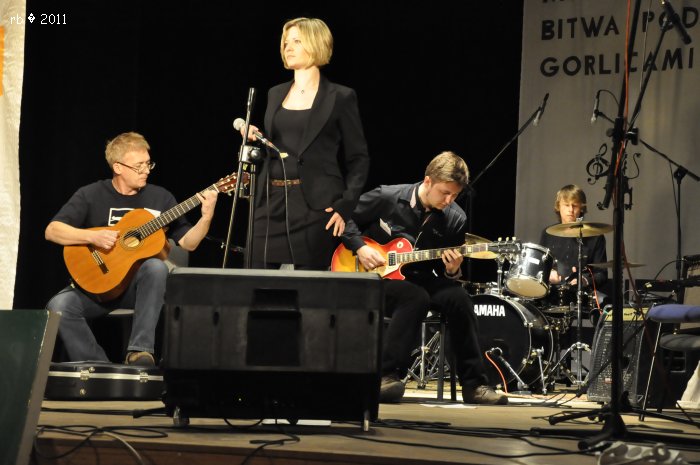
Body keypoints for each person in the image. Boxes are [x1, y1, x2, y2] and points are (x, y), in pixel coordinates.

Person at [341, 151, 508, 405]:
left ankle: (474, 385)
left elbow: (442, 269)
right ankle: (384, 376)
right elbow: (344, 216)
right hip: (373, 276)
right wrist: (360, 247)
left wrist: (452, 270)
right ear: (428, 181)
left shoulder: (456, 218)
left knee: (460, 298)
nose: (449, 200)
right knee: (414, 297)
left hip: (417, 276)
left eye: (455, 195)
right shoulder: (388, 196)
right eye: (445, 192)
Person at [45, 132, 219, 367]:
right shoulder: (91, 194)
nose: (146, 170)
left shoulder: (160, 198)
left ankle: (139, 352)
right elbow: (52, 231)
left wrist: (206, 217)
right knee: (59, 306)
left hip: (138, 292)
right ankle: (98, 368)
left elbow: (189, 243)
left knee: (156, 267)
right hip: (98, 288)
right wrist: (92, 236)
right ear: (118, 167)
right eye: (139, 166)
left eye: (148, 164)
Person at [242, 17, 369, 270]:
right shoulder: (275, 93)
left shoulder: (341, 96)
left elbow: (358, 158)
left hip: (315, 204)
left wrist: (346, 205)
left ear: (316, 43)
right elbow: (277, 147)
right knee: (255, 277)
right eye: (286, 42)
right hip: (270, 200)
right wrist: (258, 138)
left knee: (309, 285)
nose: (288, 47)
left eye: (297, 41)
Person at [539, 184, 608, 304]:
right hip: (550, 295)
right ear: (558, 207)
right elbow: (538, 268)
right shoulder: (547, 233)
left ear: (581, 208)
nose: (570, 210)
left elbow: (601, 274)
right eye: (566, 205)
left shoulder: (596, 237)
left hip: (581, 297)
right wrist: (547, 274)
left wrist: (585, 280)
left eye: (575, 205)